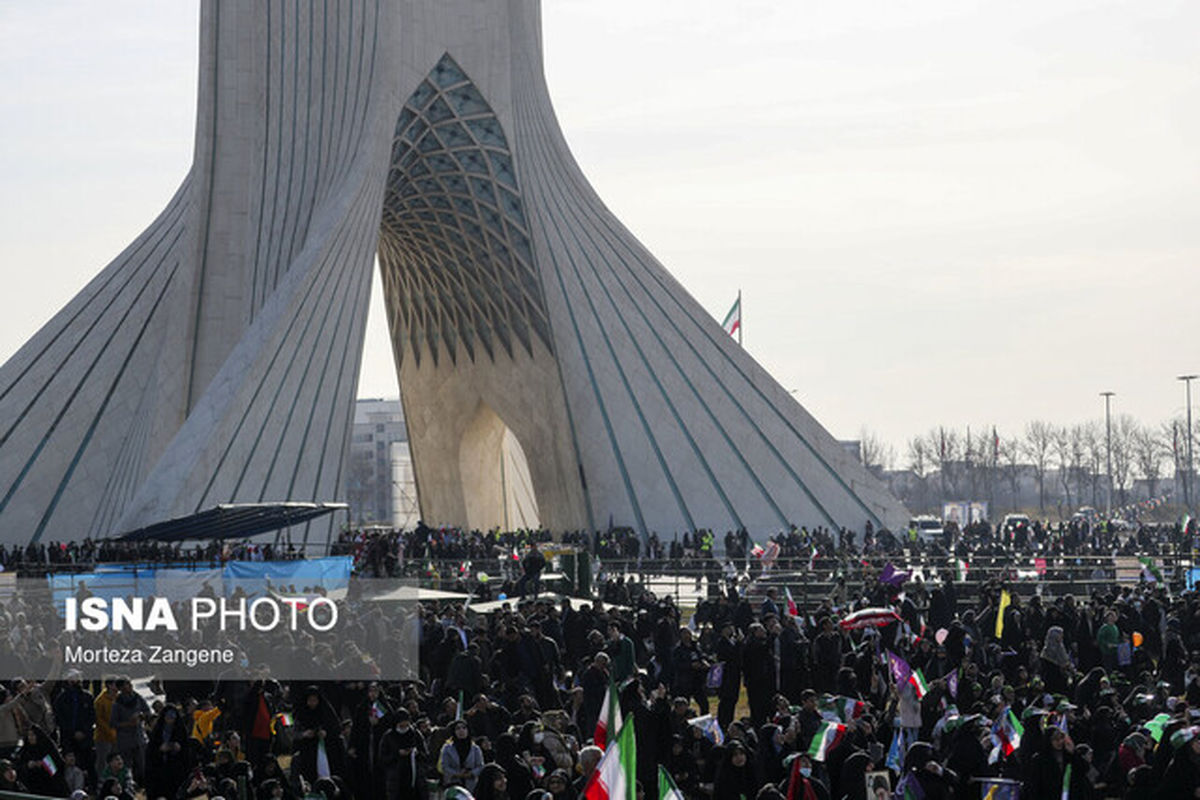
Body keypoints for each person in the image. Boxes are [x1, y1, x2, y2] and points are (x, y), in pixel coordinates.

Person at [438, 719, 483, 791]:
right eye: (458, 728)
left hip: (471, 785)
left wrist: (471, 773)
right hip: (453, 784)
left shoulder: (475, 748)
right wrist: (457, 774)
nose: (461, 730)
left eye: (464, 728)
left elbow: (480, 766)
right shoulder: (447, 748)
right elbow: (444, 766)